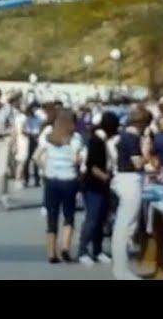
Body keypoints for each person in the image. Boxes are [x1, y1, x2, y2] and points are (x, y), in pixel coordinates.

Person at [33, 108, 84, 263]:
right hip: (69, 180)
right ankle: (65, 248)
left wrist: (45, 167)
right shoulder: (75, 138)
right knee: (69, 215)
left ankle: (51, 253)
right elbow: (76, 160)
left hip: (51, 179)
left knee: (52, 217)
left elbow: (36, 157)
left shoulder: (49, 137)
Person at [108, 107, 152, 280]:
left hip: (124, 179)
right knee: (126, 227)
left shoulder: (123, 136)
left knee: (124, 226)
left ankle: (120, 268)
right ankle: (121, 269)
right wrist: (147, 150)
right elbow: (138, 163)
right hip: (130, 180)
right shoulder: (132, 138)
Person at [78, 112, 119, 267]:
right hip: (93, 185)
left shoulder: (102, 140)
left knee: (101, 218)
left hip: (101, 185)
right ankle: (83, 251)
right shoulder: (96, 141)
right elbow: (92, 166)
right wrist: (107, 178)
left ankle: (98, 250)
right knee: (92, 218)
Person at [11, 97, 29, 191]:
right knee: (22, 161)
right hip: (23, 140)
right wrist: (29, 132)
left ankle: (19, 178)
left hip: (19, 139)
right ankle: (18, 179)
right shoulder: (23, 117)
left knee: (19, 161)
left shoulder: (17, 117)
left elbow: (14, 130)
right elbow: (22, 130)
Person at [23, 104, 42, 188]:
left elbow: (40, 128)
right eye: (33, 109)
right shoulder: (27, 119)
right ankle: (26, 179)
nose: (34, 111)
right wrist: (30, 134)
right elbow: (24, 130)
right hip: (29, 140)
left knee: (35, 160)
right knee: (26, 161)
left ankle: (37, 180)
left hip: (36, 139)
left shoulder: (38, 118)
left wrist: (38, 135)